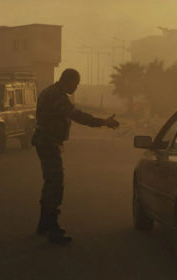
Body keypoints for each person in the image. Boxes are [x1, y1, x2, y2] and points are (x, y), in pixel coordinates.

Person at [32, 69, 120, 244]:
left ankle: (44, 223)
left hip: (47, 141)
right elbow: (76, 116)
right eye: (76, 84)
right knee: (55, 183)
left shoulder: (53, 92)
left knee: (50, 181)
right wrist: (103, 122)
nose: (76, 88)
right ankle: (52, 227)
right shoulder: (56, 96)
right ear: (68, 81)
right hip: (48, 142)